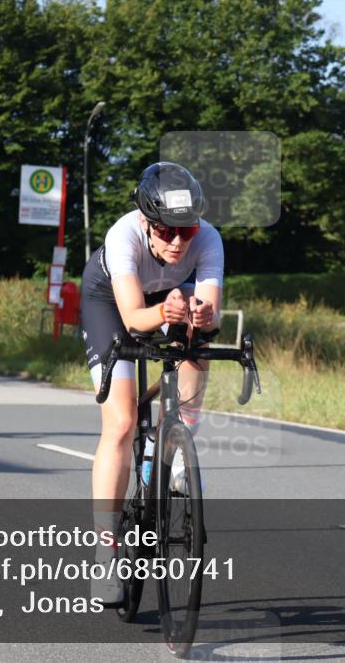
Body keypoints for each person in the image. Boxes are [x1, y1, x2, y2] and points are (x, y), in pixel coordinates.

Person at [79, 162, 223, 604]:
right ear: (146, 222)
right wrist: (164, 313)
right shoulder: (123, 235)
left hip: (168, 300)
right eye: (167, 231)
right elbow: (133, 319)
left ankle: (173, 448)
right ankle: (105, 554)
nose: (179, 241)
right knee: (122, 422)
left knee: (197, 343)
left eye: (187, 230)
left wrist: (203, 316)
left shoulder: (209, 238)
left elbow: (212, 311)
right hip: (112, 305)